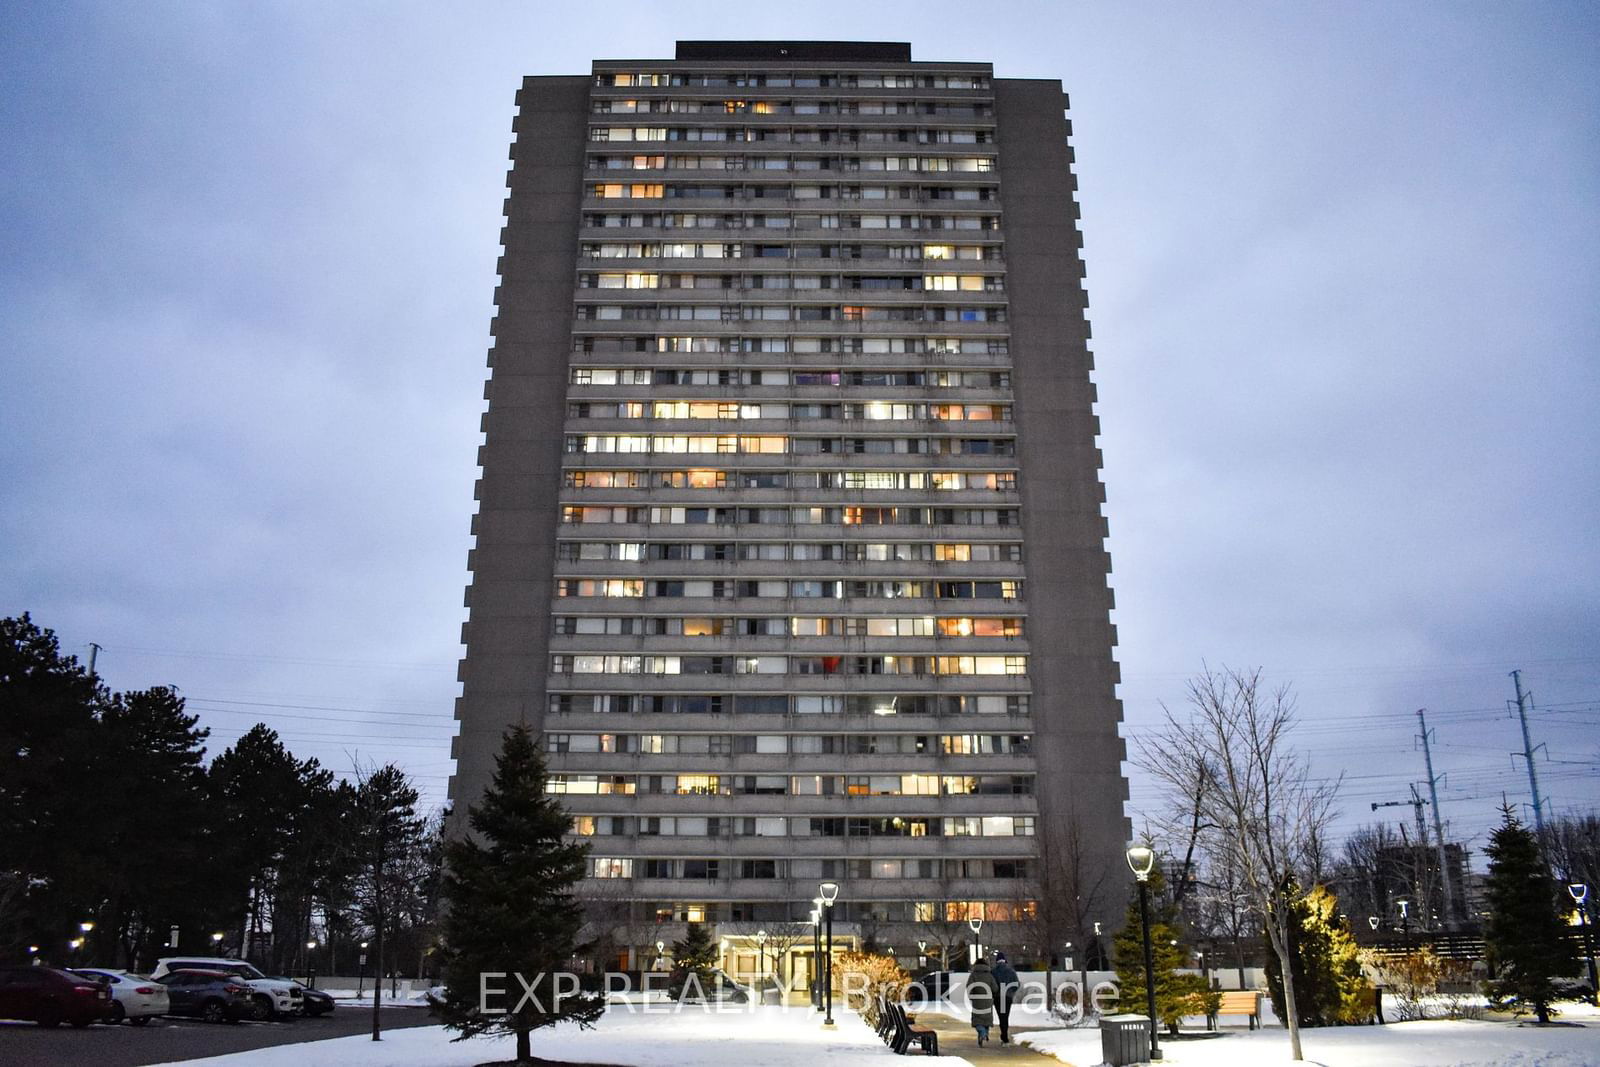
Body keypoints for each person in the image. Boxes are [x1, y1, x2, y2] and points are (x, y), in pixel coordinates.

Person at [968, 956, 999, 1046]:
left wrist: (972, 995)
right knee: (987, 1019)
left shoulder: (973, 975)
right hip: (988, 1000)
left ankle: (982, 1033)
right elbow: (995, 988)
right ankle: (985, 1033)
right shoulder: (989, 975)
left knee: (977, 1019)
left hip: (977, 1000)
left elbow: (969, 986)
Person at [992, 951, 1020, 1044]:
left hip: (998, 997)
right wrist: (1011, 991)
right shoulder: (1011, 971)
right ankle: (1004, 1036)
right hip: (1007, 997)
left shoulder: (993, 971)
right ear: (1005, 960)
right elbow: (1016, 984)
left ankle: (1004, 1035)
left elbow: (991, 985)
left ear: (997, 961)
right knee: (1005, 1016)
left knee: (1001, 1016)